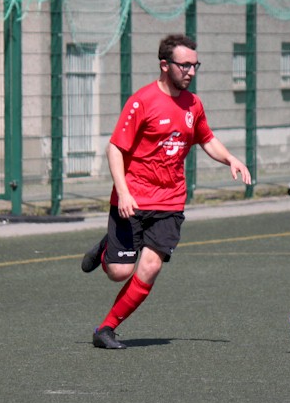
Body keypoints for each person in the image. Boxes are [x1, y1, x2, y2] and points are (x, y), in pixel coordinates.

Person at [81, 34, 252, 349]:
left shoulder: (193, 104)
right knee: (119, 272)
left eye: (195, 65)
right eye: (184, 65)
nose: (191, 71)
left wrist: (230, 158)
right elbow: (114, 149)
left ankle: (106, 329)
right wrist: (124, 192)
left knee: (151, 266)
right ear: (164, 65)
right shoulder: (142, 101)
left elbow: (206, 138)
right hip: (132, 199)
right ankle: (107, 249)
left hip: (170, 201)